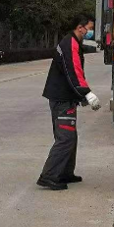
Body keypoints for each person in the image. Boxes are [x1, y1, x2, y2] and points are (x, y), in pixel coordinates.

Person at [38, 15, 101, 191]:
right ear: (80, 28)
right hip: (62, 99)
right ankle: (49, 176)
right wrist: (86, 93)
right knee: (65, 138)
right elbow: (74, 71)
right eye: (90, 28)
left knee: (70, 137)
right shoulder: (70, 44)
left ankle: (65, 172)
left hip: (64, 96)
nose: (90, 32)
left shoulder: (71, 42)